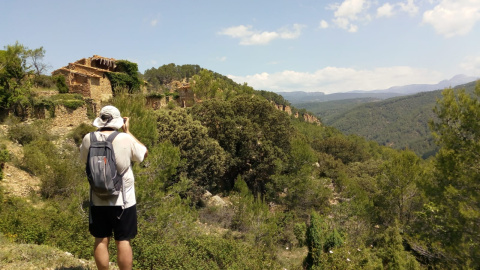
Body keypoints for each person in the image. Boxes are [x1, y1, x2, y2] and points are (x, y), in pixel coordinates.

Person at [80, 105, 148, 270]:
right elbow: (143, 154)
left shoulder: (88, 138)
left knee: (101, 239)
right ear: (119, 121)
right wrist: (128, 132)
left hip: (97, 199)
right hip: (123, 201)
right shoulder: (125, 138)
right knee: (123, 240)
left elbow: (83, 160)